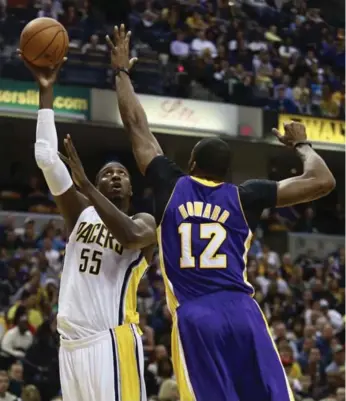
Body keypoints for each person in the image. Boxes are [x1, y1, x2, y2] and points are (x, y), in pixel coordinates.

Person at [106, 25, 336, 401]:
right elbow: (322, 181)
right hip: (244, 312)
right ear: (226, 174)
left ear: (192, 162)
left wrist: (121, 72)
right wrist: (303, 144)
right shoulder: (246, 196)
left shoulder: (171, 183)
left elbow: (136, 125)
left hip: (198, 318)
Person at [19, 51, 157, 401]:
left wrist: (87, 185)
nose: (114, 176)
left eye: (121, 174)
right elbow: (46, 158)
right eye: (106, 173)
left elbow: (130, 236)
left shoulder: (143, 221)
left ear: (131, 188)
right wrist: (46, 93)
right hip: (70, 345)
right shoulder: (81, 212)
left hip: (111, 340)